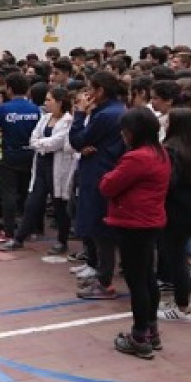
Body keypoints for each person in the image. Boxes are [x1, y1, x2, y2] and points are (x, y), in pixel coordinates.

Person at [99, 108, 171, 359]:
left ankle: (140, 337)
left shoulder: (138, 158)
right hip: (149, 221)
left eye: (125, 131)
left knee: (137, 281)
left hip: (135, 223)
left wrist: (109, 176)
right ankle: (151, 330)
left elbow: (108, 185)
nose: (122, 135)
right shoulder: (159, 152)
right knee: (147, 277)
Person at [71, 71, 128, 300]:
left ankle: (104, 279)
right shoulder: (115, 110)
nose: (88, 95)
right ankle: (99, 271)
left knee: (101, 227)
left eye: (91, 90)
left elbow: (77, 139)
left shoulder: (106, 115)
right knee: (96, 224)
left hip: (99, 172)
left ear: (100, 91)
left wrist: (79, 115)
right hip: (102, 168)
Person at [157, 109, 191, 322]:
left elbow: (168, 182)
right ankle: (180, 302)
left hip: (177, 210)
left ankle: (182, 307)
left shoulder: (173, 150)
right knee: (180, 255)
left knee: (177, 258)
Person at [3, 87, 73, 253]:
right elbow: (33, 137)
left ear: (60, 102)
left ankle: (62, 241)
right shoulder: (45, 117)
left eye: (49, 100)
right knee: (32, 203)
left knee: (60, 206)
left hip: (57, 166)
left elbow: (57, 142)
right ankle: (19, 238)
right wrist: (41, 144)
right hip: (41, 164)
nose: (46, 103)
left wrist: (40, 144)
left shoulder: (69, 121)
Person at [0, 73, 41, 243]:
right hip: (30, 156)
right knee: (27, 193)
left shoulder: (3, 108)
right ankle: (30, 230)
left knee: (8, 195)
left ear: (9, 89)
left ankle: (8, 231)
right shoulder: (35, 109)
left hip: (8, 156)